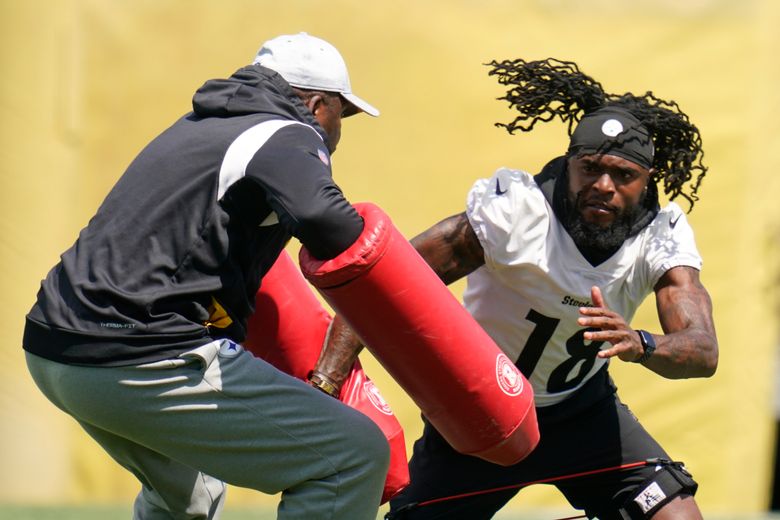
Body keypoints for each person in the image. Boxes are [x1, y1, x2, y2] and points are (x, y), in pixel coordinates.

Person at [322, 58, 719, 519]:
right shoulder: (518, 214)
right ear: (569, 166)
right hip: (482, 416)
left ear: (646, 180)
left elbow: (703, 351)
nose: (603, 186)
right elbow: (381, 286)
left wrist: (642, 343)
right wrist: (326, 379)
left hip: (582, 415)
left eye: (623, 176)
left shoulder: (660, 236)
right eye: (590, 168)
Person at [23, 32, 391, 520]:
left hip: (56, 350)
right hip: (136, 353)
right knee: (352, 454)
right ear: (317, 104)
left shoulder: (202, 123)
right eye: (341, 117)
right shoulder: (287, 130)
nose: (338, 132)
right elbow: (328, 221)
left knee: (189, 497)